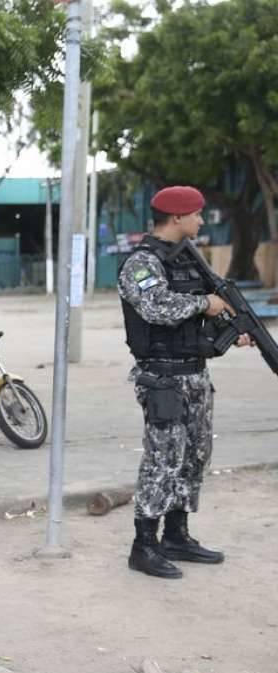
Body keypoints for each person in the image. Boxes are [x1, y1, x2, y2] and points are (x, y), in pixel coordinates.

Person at [118, 185, 250, 580]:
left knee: (194, 458)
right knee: (162, 461)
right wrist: (203, 304)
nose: (200, 220)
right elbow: (155, 306)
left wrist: (229, 327)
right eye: (195, 214)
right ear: (176, 217)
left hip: (195, 375)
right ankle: (143, 546)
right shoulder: (141, 263)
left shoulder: (191, 263)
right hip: (162, 379)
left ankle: (176, 535)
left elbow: (203, 312)